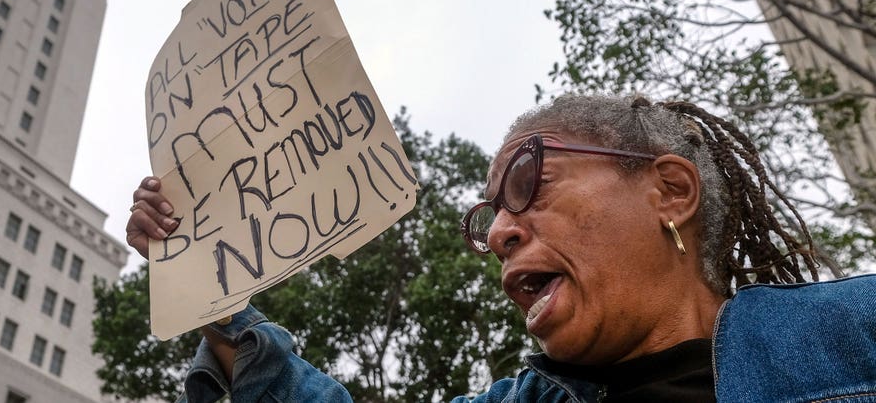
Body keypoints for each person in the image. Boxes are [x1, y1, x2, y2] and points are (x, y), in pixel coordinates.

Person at [126, 94, 876, 402]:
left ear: (669, 191)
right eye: (486, 215)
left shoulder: (855, 331)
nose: (494, 232)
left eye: (529, 181)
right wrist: (209, 285)